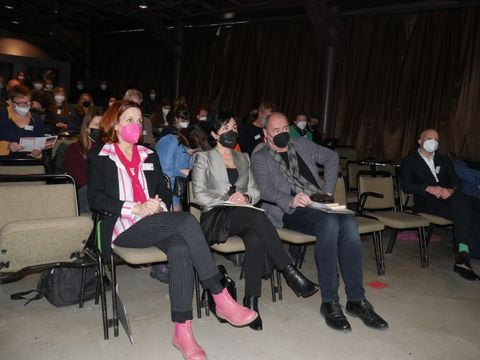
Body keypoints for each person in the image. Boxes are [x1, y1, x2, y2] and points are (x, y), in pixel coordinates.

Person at [88, 100, 257, 360]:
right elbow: (96, 198)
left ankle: (182, 332)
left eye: (137, 120)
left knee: (180, 248)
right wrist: (135, 207)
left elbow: (164, 189)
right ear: (115, 125)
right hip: (124, 228)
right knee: (187, 221)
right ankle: (219, 294)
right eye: (128, 120)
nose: (136, 125)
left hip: (155, 221)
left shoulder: (148, 154)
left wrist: (160, 204)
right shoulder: (101, 156)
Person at [251, 112, 388, 332]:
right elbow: (265, 190)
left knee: (350, 224)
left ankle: (355, 299)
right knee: (330, 224)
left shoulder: (301, 144)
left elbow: (332, 157)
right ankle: (330, 301)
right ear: (265, 134)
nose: (282, 133)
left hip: (318, 202)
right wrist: (291, 199)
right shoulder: (260, 156)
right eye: (276, 131)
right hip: (289, 209)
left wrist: (327, 191)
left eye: (285, 128)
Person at [192, 110, 319, 331]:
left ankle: (251, 303)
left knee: (256, 239)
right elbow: (200, 195)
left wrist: (247, 197)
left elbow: (255, 191)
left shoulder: (244, 158)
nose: (231, 132)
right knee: (258, 216)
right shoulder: (203, 158)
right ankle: (288, 270)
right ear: (214, 134)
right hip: (215, 217)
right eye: (225, 128)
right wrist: (229, 198)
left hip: (243, 216)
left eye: (234, 128)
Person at [400, 129, 479, 281]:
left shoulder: (444, 160)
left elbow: (457, 183)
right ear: (420, 141)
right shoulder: (410, 161)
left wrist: (450, 190)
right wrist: (428, 188)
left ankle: (465, 254)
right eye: (429, 138)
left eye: (436, 139)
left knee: (468, 204)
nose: (433, 141)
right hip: (426, 202)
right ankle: (463, 252)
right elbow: (406, 185)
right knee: (465, 206)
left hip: (447, 200)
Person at [64, 111, 102, 213]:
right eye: (96, 125)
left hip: (101, 191)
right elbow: (79, 179)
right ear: (86, 127)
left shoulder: (106, 148)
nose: (99, 128)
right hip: (84, 192)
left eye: (102, 125)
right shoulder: (74, 149)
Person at [155, 106, 191, 211]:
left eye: (187, 121)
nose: (185, 123)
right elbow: (164, 167)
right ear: (176, 119)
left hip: (179, 185)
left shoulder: (186, 134)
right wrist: (181, 172)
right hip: (171, 185)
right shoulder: (169, 136)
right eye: (183, 120)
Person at [0, 85, 44, 159]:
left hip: (30, 163)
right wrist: (8, 146)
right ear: (10, 102)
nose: (24, 106)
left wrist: (38, 153)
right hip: (4, 164)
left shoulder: (36, 118)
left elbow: (40, 143)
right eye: (20, 103)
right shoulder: (2, 115)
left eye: (27, 102)